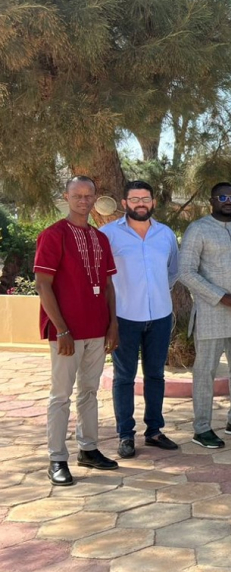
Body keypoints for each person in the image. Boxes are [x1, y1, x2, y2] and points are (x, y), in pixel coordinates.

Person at [34, 176, 120, 485]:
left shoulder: (100, 239)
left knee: (89, 392)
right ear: (66, 197)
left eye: (88, 195)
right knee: (60, 395)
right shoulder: (53, 235)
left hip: (97, 330)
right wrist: (61, 330)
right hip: (66, 333)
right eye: (77, 195)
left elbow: (108, 285)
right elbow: (42, 285)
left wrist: (113, 324)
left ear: (96, 198)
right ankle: (57, 458)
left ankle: (88, 449)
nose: (83, 200)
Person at [101, 180, 180, 459]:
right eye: (134, 199)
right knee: (124, 377)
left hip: (159, 315)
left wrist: (156, 292)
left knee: (156, 375)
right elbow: (102, 276)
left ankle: (155, 431)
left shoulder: (166, 234)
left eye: (145, 198)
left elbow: (173, 271)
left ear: (153, 202)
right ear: (124, 203)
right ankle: (125, 435)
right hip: (124, 317)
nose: (140, 204)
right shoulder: (108, 234)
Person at [179, 182, 231, 448]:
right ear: (211, 200)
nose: (228, 200)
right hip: (212, 313)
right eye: (223, 196)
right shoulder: (198, 229)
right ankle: (202, 428)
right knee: (205, 372)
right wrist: (222, 297)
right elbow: (186, 272)